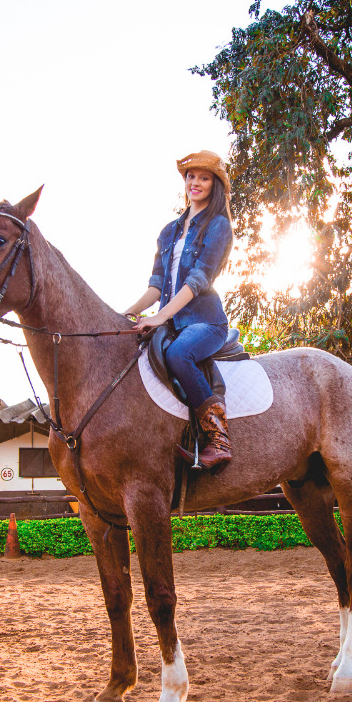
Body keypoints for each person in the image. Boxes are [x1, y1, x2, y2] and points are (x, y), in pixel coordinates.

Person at [123, 150, 235, 469]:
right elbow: (156, 286)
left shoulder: (218, 226)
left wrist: (161, 316)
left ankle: (219, 439)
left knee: (178, 355)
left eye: (204, 177)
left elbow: (199, 279)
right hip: (170, 323)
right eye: (191, 176)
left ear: (215, 185)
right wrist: (129, 312)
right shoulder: (168, 232)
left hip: (205, 323)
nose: (195, 183)